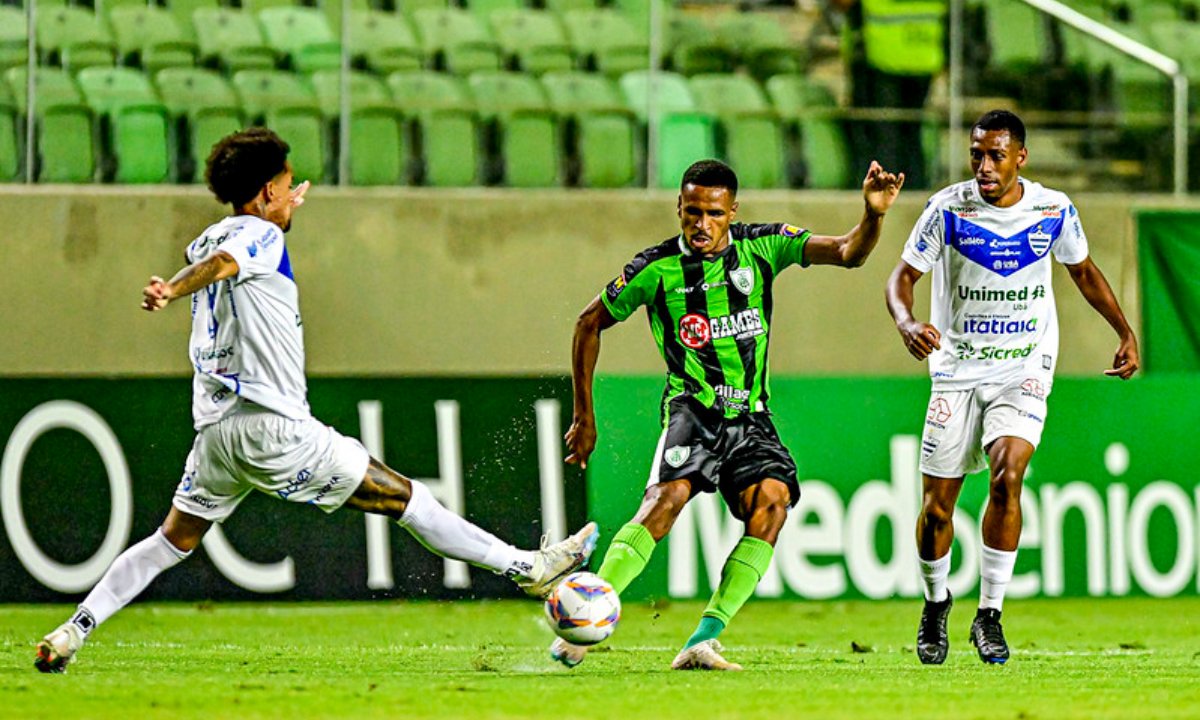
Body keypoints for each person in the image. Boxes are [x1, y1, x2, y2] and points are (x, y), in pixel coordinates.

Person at [34, 128, 598, 674]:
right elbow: (227, 262)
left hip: (217, 436)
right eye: (286, 184)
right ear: (266, 193)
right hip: (274, 428)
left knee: (169, 542)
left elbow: (226, 255)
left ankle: (75, 629)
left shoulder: (216, 234)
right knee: (407, 499)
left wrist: (270, 216)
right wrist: (173, 289)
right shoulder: (257, 237)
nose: (293, 194)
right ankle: (528, 566)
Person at [554, 158, 905, 670]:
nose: (701, 224)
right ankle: (583, 623)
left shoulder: (764, 245)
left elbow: (849, 253)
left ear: (732, 211)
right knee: (665, 501)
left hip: (752, 417)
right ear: (678, 207)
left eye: (713, 214)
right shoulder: (656, 270)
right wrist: (585, 416)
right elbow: (588, 323)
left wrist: (873, 215)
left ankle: (703, 637)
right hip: (692, 410)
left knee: (773, 503)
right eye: (692, 211)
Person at [885, 110, 1139, 666]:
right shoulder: (947, 209)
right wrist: (907, 322)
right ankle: (935, 604)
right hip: (956, 371)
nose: (984, 166)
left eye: (995, 154)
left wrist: (1123, 331)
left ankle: (990, 614)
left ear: (1020, 156)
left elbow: (1085, 271)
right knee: (936, 509)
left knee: (1009, 474)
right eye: (976, 153)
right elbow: (902, 276)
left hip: (1023, 368)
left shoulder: (1052, 210)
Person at [830, 0, 946, 190]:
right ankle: (913, 191)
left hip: (881, 53)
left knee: (882, 134)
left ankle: (882, 194)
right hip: (924, 48)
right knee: (912, 133)